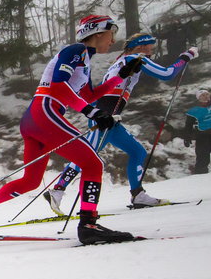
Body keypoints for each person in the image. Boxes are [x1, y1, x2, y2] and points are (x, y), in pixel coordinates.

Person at [0, 15, 140, 245]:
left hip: (35, 118)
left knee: (31, 180)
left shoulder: (85, 62)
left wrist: (120, 77)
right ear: (98, 33)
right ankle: (88, 224)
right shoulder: (76, 50)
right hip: (45, 111)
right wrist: (92, 113)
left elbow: (88, 95)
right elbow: (59, 86)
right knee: (92, 163)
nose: (113, 39)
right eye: (112, 33)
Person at [44, 33, 199, 213]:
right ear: (141, 47)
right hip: (107, 116)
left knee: (137, 152)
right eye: (150, 47)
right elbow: (166, 74)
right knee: (86, 156)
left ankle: (138, 195)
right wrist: (186, 56)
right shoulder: (135, 58)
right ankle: (57, 190)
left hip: (110, 117)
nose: (152, 50)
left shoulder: (121, 60)